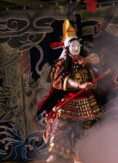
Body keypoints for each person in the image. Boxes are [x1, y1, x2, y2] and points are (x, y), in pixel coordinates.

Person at [37, 19, 103, 163]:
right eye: (72, 45)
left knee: (86, 130)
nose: (75, 47)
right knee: (60, 127)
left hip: (86, 100)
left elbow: (97, 59)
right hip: (69, 99)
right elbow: (60, 81)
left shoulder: (84, 59)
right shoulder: (62, 63)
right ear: (67, 47)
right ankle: (55, 153)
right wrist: (80, 86)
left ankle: (81, 156)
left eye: (77, 44)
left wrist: (88, 61)